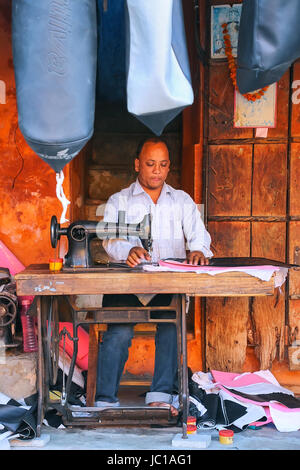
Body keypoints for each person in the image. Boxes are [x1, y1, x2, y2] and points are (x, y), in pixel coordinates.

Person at [95, 137, 213, 416]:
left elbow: (199, 235)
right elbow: (109, 240)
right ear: (138, 165)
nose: (156, 170)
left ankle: (160, 395)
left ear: (168, 167)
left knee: (171, 328)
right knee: (118, 334)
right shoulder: (119, 201)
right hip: (128, 282)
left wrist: (197, 249)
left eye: (162, 165)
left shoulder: (181, 201)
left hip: (167, 281)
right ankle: (104, 399)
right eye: (150, 164)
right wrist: (129, 250)